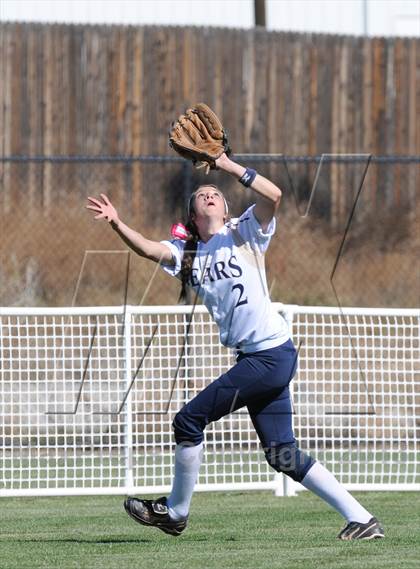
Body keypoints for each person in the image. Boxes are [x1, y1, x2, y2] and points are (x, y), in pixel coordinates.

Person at [86, 153, 384, 541]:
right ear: (192, 215)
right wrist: (117, 223)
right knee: (282, 453)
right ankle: (361, 518)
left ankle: (175, 512)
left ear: (226, 210)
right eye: (201, 194)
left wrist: (225, 165)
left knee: (187, 420)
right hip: (260, 358)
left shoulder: (243, 232)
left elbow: (273, 195)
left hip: (270, 355)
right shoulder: (189, 254)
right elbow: (146, 248)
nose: (209, 195)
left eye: (215, 194)